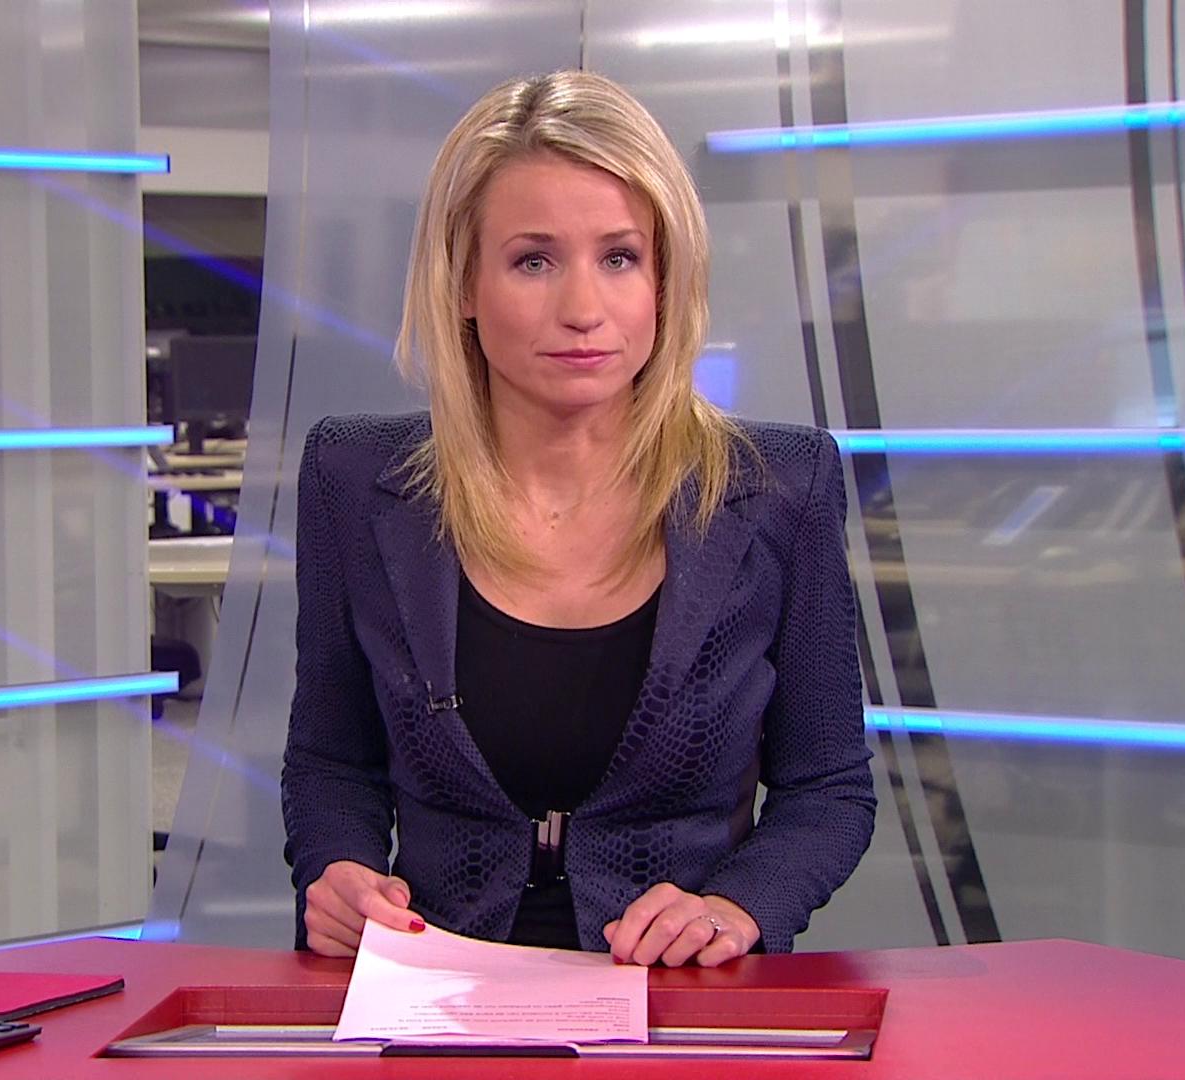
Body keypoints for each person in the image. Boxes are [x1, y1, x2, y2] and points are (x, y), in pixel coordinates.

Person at [280, 70, 875, 968]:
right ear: (462, 282)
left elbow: (828, 788)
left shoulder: (779, 488)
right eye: (534, 261)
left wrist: (735, 907)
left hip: (682, 999)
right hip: (433, 992)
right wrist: (340, 874)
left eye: (620, 258)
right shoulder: (356, 479)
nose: (584, 310)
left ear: (665, 279)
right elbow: (331, 761)